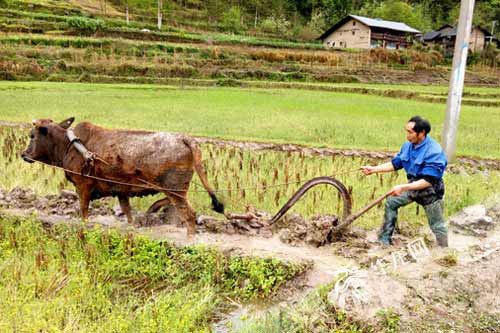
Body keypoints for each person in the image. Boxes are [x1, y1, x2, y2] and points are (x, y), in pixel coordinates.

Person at [361, 116, 449, 247]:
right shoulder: (408, 146)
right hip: (412, 187)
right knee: (391, 203)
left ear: (422, 133)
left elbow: (428, 181)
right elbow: (396, 164)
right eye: (406, 131)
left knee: (437, 225)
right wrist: (373, 169)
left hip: (430, 191)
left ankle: (444, 251)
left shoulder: (434, 151)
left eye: (410, 132)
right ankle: (384, 240)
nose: (407, 135)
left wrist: (403, 187)